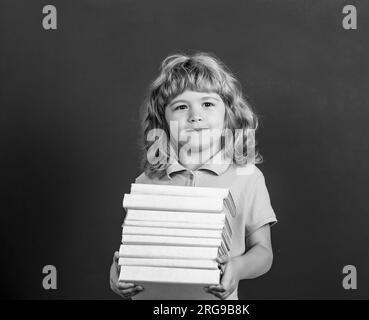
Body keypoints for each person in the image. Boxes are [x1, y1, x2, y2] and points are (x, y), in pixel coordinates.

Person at [110, 52, 277, 300]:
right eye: (181, 107)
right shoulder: (147, 181)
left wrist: (238, 268)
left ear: (228, 114)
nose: (195, 116)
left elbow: (263, 252)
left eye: (208, 104)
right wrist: (117, 272)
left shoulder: (246, 177)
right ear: (163, 121)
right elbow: (135, 249)